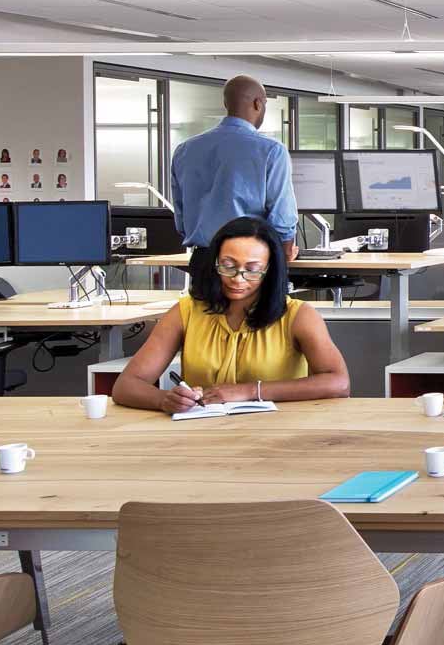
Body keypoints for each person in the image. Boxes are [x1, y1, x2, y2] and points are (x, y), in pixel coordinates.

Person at [112, 216, 349, 415]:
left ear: (270, 271)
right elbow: (126, 385)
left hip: (278, 433)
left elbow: (338, 382)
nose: (238, 278)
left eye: (252, 270)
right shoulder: (186, 311)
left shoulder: (298, 315)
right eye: (228, 265)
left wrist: (250, 391)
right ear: (213, 263)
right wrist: (164, 400)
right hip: (201, 431)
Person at [171, 75, 298, 286]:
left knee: (204, 319)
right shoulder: (271, 150)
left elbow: (181, 217)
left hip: (203, 260)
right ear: (258, 104)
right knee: (256, 319)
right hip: (249, 261)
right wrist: (284, 253)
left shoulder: (185, 150)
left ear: (225, 103)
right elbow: (281, 216)